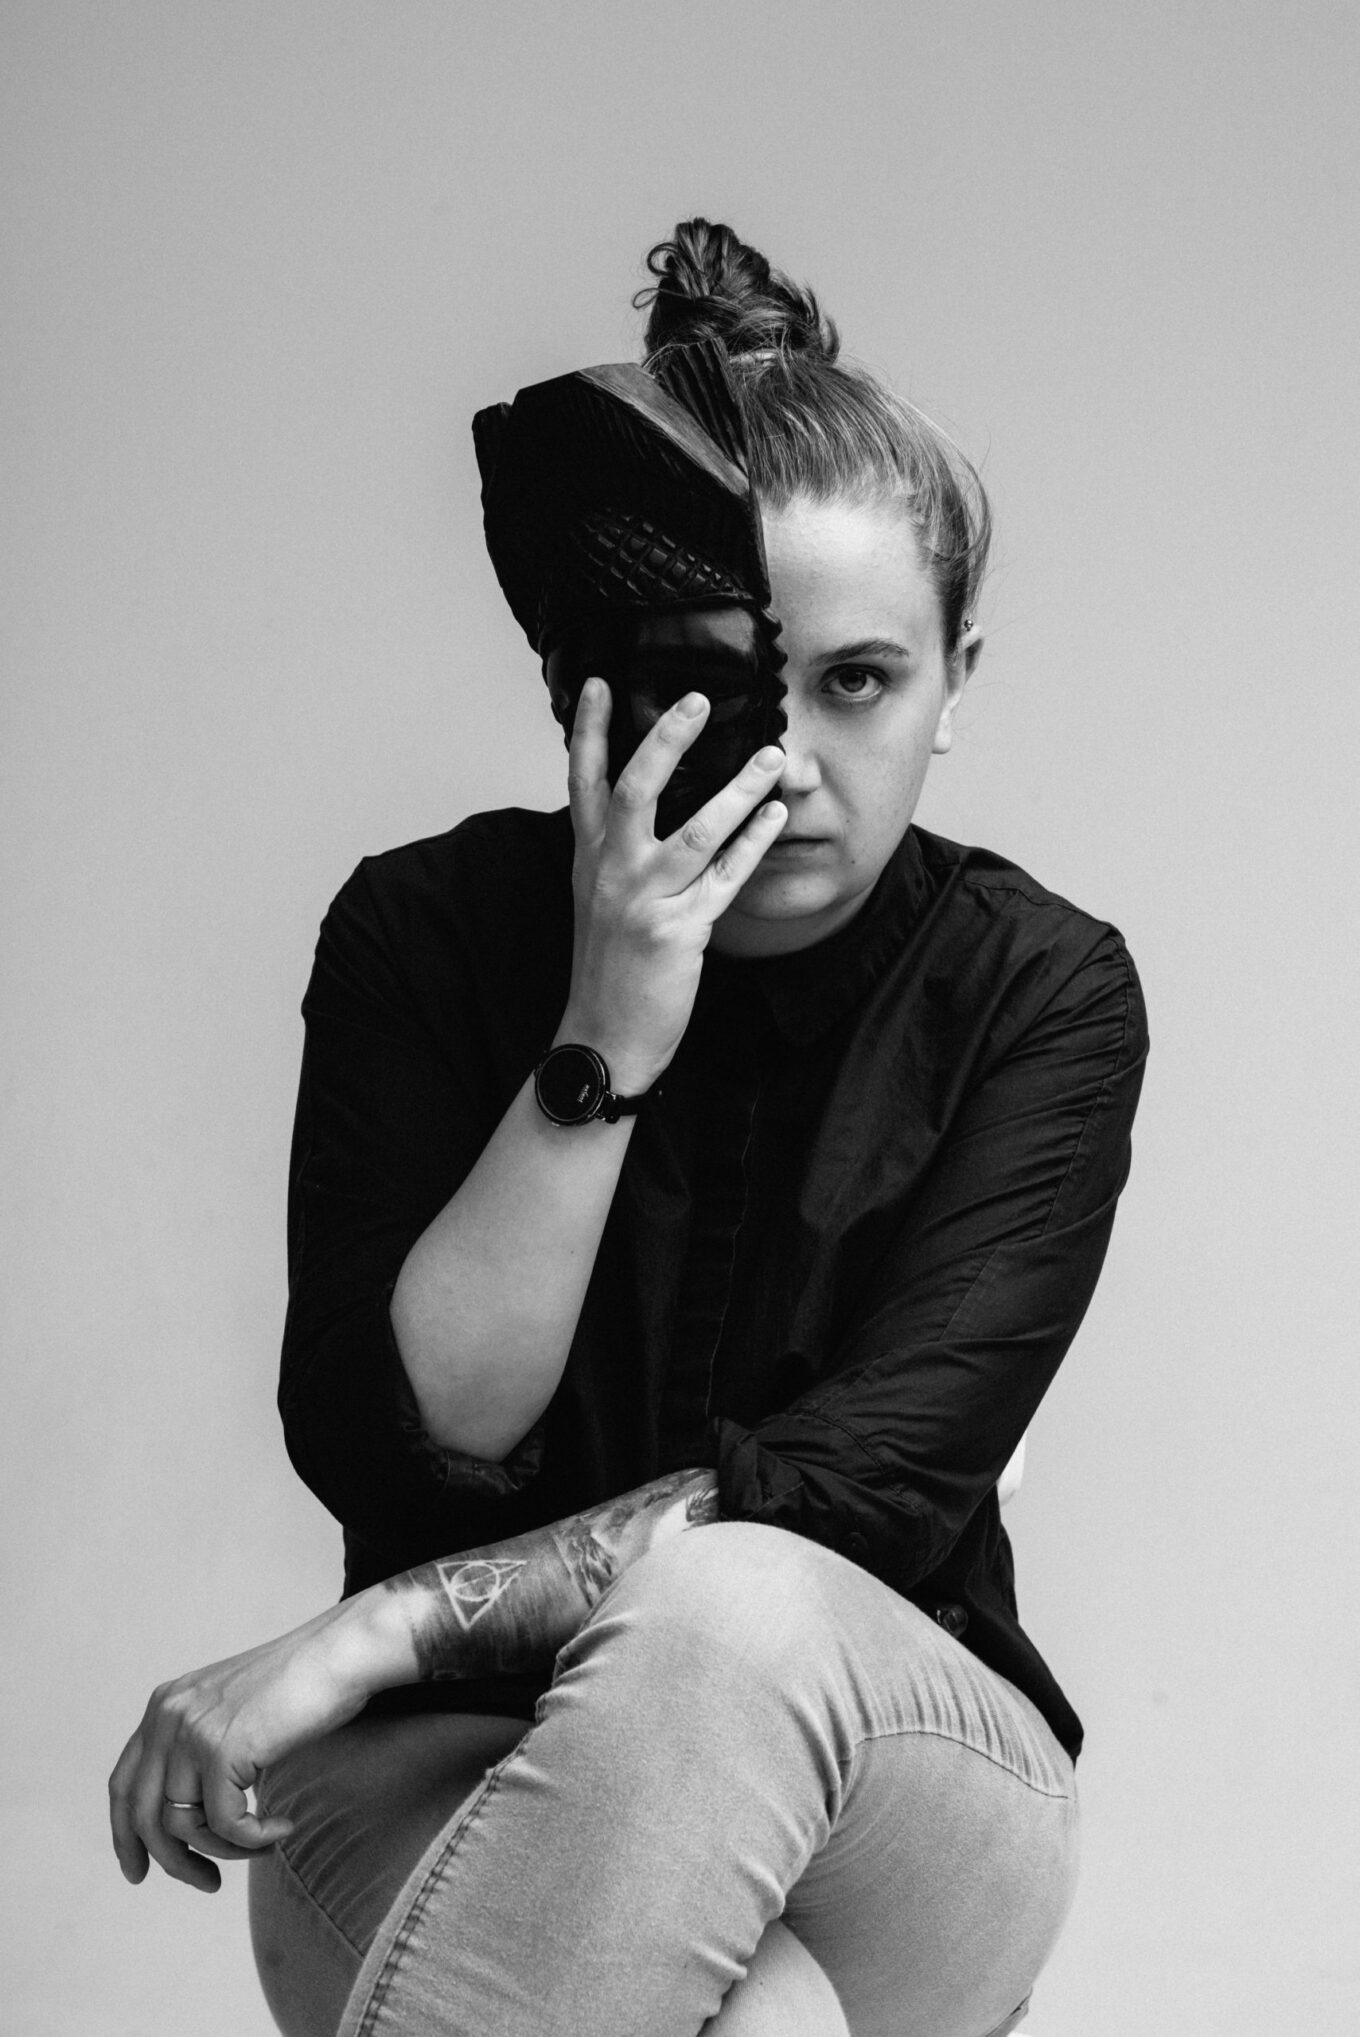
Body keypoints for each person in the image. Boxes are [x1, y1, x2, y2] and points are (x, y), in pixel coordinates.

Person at [107, 219, 1148, 2037]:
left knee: (731, 1608)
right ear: (596, 688)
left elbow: (858, 1498)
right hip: (447, 1771)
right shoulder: (424, 937)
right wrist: (604, 1037)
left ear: (956, 682)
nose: (793, 762)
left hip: (897, 1776)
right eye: (732, 685)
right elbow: (401, 1446)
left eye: (861, 681)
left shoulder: (1038, 992)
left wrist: (376, 1627)